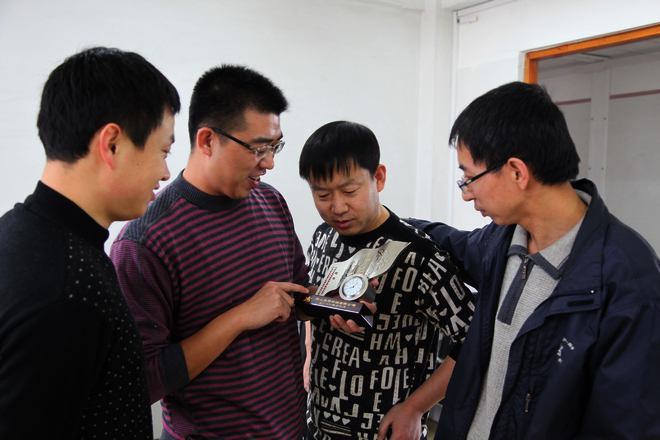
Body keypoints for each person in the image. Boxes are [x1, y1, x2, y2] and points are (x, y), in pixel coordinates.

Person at [409, 81, 660, 439]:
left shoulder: (627, 281)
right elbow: (451, 243)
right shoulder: (501, 241)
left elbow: (625, 426)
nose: (466, 194)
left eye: (470, 177)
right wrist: (385, 222)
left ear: (517, 172)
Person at [109, 65, 310, 440]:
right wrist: (239, 317)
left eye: (275, 146)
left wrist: (337, 305)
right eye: (259, 148)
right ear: (207, 141)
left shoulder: (271, 202)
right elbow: (142, 380)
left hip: (292, 430)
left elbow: (295, 297)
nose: (269, 162)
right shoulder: (145, 243)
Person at [0, 47, 180, 439]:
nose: (166, 172)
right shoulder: (68, 289)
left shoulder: (19, 232)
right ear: (112, 143)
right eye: (163, 151)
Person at [299, 121, 475, 440]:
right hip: (319, 424)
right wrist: (311, 350)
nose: (337, 207)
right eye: (322, 194)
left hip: (386, 431)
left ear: (378, 177)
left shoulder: (420, 256)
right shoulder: (324, 236)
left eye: (349, 191)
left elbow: (475, 339)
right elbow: (310, 295)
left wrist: (416, 408)